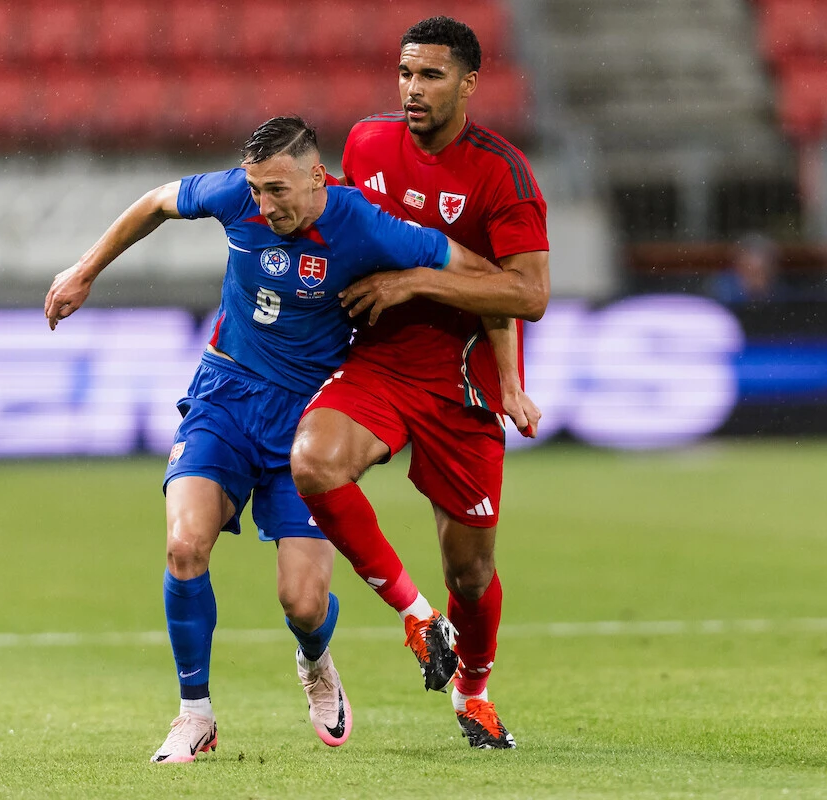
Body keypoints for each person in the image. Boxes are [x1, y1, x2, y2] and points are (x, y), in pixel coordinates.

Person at [45, 115, 506, 763]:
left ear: (318, 176)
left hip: (309, 420)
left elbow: (479, 275)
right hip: (224, 398)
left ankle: (315, 660)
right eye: (257, 189)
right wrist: (85, 270)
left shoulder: (363, 223)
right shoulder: (234, 193)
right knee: (184, 546)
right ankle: (195, 715)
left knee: (303, 600)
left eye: (277, 191)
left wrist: (468, 327)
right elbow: (154, 203)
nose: (264, 204)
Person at [290, 16, 550, 750]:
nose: (412, 89)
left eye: (431, 76)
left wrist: (504, 376)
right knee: (313, 461)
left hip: (459, 384)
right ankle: (413, 615)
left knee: (470, 573)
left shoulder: (502, 173)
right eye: (405, 73)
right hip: (378, 362)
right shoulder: (368, 144)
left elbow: (527, 294)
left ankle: (474, 692)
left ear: (469, 83)